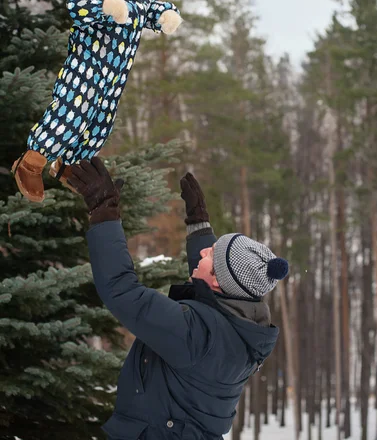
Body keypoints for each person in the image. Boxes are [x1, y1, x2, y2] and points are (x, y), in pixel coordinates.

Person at [68, 157, 289, 440]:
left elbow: (123, 292)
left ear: (219, 281)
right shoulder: (243, 329)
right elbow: (214, 289)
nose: (205, 252)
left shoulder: (195, 336)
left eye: (212, 255)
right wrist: (199, 225)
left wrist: (103, 211)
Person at [11, 0, 182, 203]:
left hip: (112, 83)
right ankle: (32, 162)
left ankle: (69, 166)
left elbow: (152, 9)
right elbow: (78, 6)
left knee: (99, 124)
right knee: (68, 118)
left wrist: (165, 16)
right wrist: (106, 5)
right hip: (82, 76)